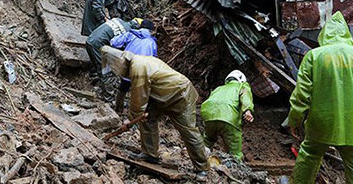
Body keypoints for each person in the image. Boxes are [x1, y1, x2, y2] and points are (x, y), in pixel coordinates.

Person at [287, 11, 353, 184]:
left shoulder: (314, 56)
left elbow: (301, 95)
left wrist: (295, 121)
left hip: (321, 124)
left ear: (324, 34)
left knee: (308, 159)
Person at [101, 46, 210, 181]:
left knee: (187, 130)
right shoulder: (139, 62)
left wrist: (130, 120)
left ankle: (202, 168)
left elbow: (138, 98)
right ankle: (150, 154)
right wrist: (135, 116)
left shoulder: (138, 68)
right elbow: (142, 98)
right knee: (147, 118)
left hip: (180, 95)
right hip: (162, 95)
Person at [201, 70, 254, 161]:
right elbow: (245, 97)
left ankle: (200, 160)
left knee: (207, 141)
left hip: (209, 117)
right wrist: (247, 110)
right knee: (234, 149)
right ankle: (236, 167)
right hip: (229, 117)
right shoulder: (242, 86)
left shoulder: (218, 88)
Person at [109, 19, 159, 113]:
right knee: (138, 93)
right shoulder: (152, 43)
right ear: (150, 31)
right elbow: (154, 59)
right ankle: (134, 115)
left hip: (128, 66)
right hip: (142, 70)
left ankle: (118, 109)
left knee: (123, 87)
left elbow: (114, 42)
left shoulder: (131, 34)